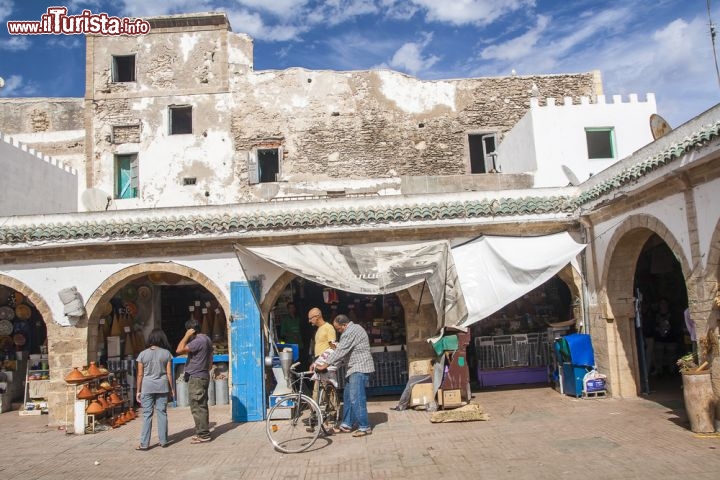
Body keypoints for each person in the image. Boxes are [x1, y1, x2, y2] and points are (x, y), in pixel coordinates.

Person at [315, 314, 374, 437]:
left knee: (356, 398)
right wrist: (323, 364)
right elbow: (343, 353)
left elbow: (341, 351)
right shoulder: (352, 330)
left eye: (338, 329)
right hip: (352, 369)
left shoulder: (351, 331)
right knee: (347, 397)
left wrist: (325, 364)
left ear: (344, 325)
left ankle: (364, 426)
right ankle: (346, 424)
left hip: (359, 367)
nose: (338, 331)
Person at [135, 328, 174, 450]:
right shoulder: (166, 353)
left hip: (147, 387)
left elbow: (140, 374)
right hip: (162, 386)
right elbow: (169, 373)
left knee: (147, 414)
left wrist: (138, 390)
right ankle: (163, 440)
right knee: (162, 413)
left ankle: (144, 443)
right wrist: (172, 388)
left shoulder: (142, 354)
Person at [176, 318, 213, 443]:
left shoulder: (197, 341)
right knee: (202, 405)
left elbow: (179, 350)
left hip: (197, 377)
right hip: (203, 375)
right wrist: (207, 368)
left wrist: (186, 337)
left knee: (197, 406)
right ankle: (202, 431)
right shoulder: (207, 339)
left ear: (191, 331)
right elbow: (211, 358)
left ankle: (203, 434)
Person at [308, 307, 336, 400]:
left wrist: (327, 362)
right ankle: (316, 411)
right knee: (317, 388)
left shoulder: (328, 327)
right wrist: (315, 362)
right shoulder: (319, 329)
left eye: (310, 318)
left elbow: (333, 346)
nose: (309, 321)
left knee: (328, 387)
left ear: (317, 317)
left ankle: (333, 412)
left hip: (326, 362)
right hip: (319, 361)